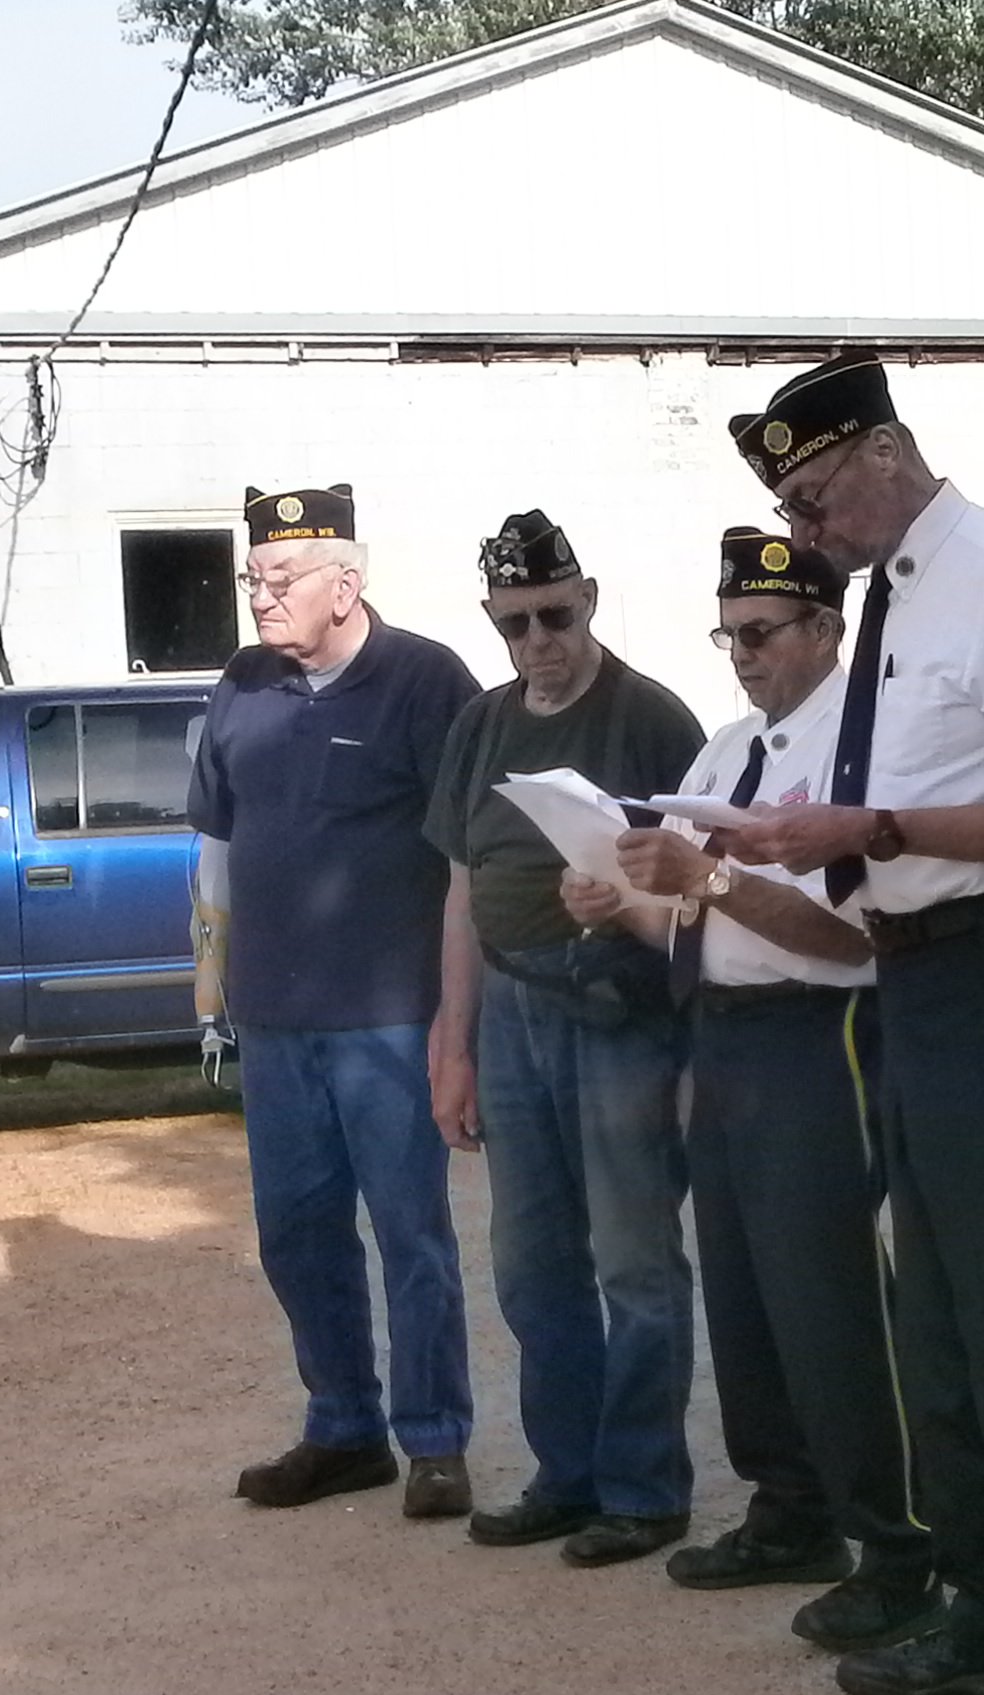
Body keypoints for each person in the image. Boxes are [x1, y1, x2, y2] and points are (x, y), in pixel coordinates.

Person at [712, 352, 984, 1695]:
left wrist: (872, 832)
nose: (809, 529)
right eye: (795, 509)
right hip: (914, 980)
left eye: (817, 498)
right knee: (940, 1334)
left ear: (885, 453)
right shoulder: (891, 593)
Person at [605, 527, 923, 1614]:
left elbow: (853, 938)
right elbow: (693, 920)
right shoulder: (725, 753)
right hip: (724, 1030)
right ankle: (789, 1509)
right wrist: (617, 896)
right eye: (728, 635)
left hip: (817, 1033)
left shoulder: (859, 750)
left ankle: (898, 1541)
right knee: (743, 1294)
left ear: (825, 628)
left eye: (760, 632)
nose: (741, 654)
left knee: (828, 1295)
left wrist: (710, 880)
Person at [187, 485, 485, 1518]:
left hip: (390, 1018)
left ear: (345, 584)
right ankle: (343, 1427)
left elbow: (472, 857)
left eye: (281, 578)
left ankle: (435, 1439)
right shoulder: (243, 682)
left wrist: (460, 1021)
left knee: (410, 1235)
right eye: (252, 578)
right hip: (274, 1017)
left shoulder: (426, 680)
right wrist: (209, 985)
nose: (260, 598)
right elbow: (214, 840)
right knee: (295, 1232)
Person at [423, 511, 710, 1565]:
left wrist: (629, 908)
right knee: (530, 1261)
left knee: (633, 1256)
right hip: (512, 1008)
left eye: (554, 615)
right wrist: (453, 1040)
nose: (538, 641)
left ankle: (642, 1488)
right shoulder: (481, 725)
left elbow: (704, 887)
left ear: (588, 599)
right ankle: (567, 1473)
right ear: (492, 622)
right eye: (515, 624)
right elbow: (461, 889)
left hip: (621, 1008)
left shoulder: (651, 719)